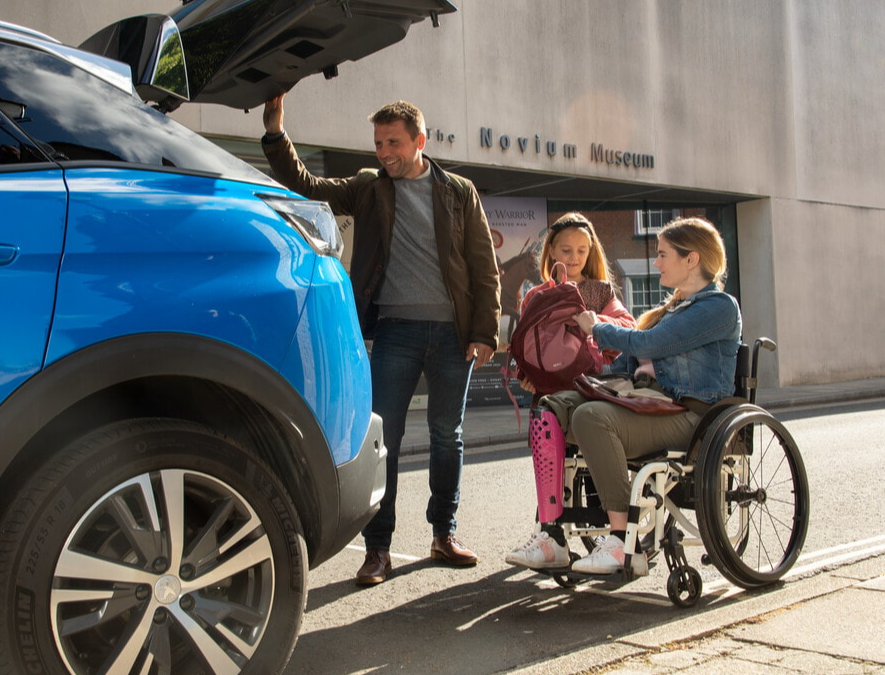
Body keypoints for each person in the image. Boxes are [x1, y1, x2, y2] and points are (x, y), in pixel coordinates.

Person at [260, 95, 501, 586]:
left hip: (454, 337)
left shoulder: (458, 191)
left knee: (445, 437)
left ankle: (444, 533)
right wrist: (275, 132)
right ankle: (378, 549)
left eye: (393, 142)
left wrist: (484, 332)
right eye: (377, 143)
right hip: (396, 332)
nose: (384, 152)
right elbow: (306, 185)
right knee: (384, 442)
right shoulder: (370, 189)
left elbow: (483, 267)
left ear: (420, 140)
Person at [506, 217, 741, 574]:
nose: (657, 262)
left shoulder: (718, 307)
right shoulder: (670, 310)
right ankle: (552, 536)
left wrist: (594, 328)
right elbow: (623, 366)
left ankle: (622, 542)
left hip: (689, 416)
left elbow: (649, 344)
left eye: (663, 255)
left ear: (691, 259)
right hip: (647, 403)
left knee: (591, 417)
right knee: (551, 408)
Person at [514, 212, 636, 396]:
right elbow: (525, 344)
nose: (574, 257)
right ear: (552, 251)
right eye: (566, 250)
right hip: (549, 393)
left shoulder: (600, 291)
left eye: (581, 250)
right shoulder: (535, 296)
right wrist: (526, 376)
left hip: (593, 388)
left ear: (589, 252)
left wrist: (593, 324)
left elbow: (629, 330)